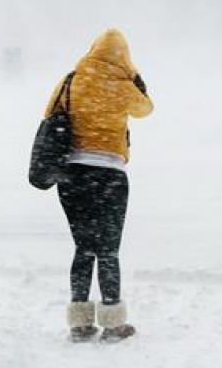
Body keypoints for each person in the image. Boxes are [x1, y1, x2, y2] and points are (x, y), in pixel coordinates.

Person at [44, 28, 153, 342]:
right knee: (108, 251)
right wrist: (136, 81)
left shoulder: (72, 79)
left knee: (83, 249)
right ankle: (113, 323)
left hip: (73, 176)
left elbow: (49, 112)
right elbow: (146, 109)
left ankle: (79, 324)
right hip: (109, 176)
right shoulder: (121, 85)